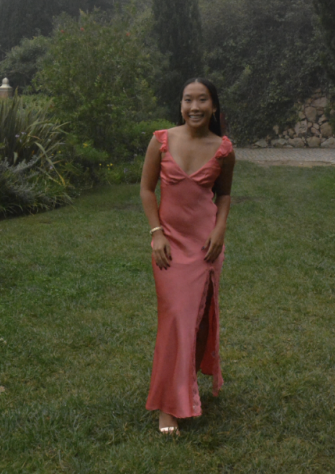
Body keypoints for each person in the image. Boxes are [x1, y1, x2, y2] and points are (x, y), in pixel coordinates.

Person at [140, 78, 235, 434]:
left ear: (213, 106)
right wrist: (157, 233)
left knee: (197, 318)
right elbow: (147, 190)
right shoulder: (161, 140)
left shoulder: (224, 149)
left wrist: (220, 230)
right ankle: (168, 405)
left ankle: (183, 385)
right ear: (180, 105)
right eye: (187, 100)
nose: (194, 107)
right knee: (176, 317)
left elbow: (223, 195)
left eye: (202, 100)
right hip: (168, 245)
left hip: (205, 245)